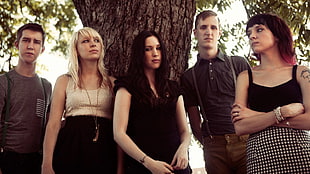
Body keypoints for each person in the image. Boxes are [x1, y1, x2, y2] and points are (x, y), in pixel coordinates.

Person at [231, 13, 310, 173]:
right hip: (261, 157)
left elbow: (309, 121)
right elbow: (240, 127)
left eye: (259, 30)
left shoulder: (301, 72)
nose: (252, 36)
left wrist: (255, 116)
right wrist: (282, 112)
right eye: (249, 33)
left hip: (300, 155)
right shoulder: (246, 77)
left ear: (277, 35)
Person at [41, 27, 120, 174]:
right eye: (86, 41)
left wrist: (120, 168)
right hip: (70, 148)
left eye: (96, 40)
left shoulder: (113, 83)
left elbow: (120, 129)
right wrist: (46, 164)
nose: (93, 44)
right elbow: (53, 124)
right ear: (76, 49)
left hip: (105, 151)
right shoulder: (64, 81)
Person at [181, 10, 250, 174]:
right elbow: (194, 117)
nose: (208, 32)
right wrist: (208, 143)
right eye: (203, 27)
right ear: (195, 33)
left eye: (213, 27)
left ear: (219, 32)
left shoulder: (238, 64)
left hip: (244, 142)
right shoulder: (189, 76)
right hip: (214, 147)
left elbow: (254, 103)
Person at [113, 30, 191, 174]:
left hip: (176, 166)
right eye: (148, 49)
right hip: (142, 167)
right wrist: (149, 163)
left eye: (158, 48)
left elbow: (184, 131)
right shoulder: (126, 87)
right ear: (139, 54)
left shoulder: (173, 88)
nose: (155, 53)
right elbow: (119, 133)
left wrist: (183, 149)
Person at [0, 23, 52, 174]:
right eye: (26, 40)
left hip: (36, 161)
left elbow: (50, 126)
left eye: (36, 42)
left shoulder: (46, 86)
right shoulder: (4, 82)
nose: (30, 46)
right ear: (17, 44)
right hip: (7, 159)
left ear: (42, 49)